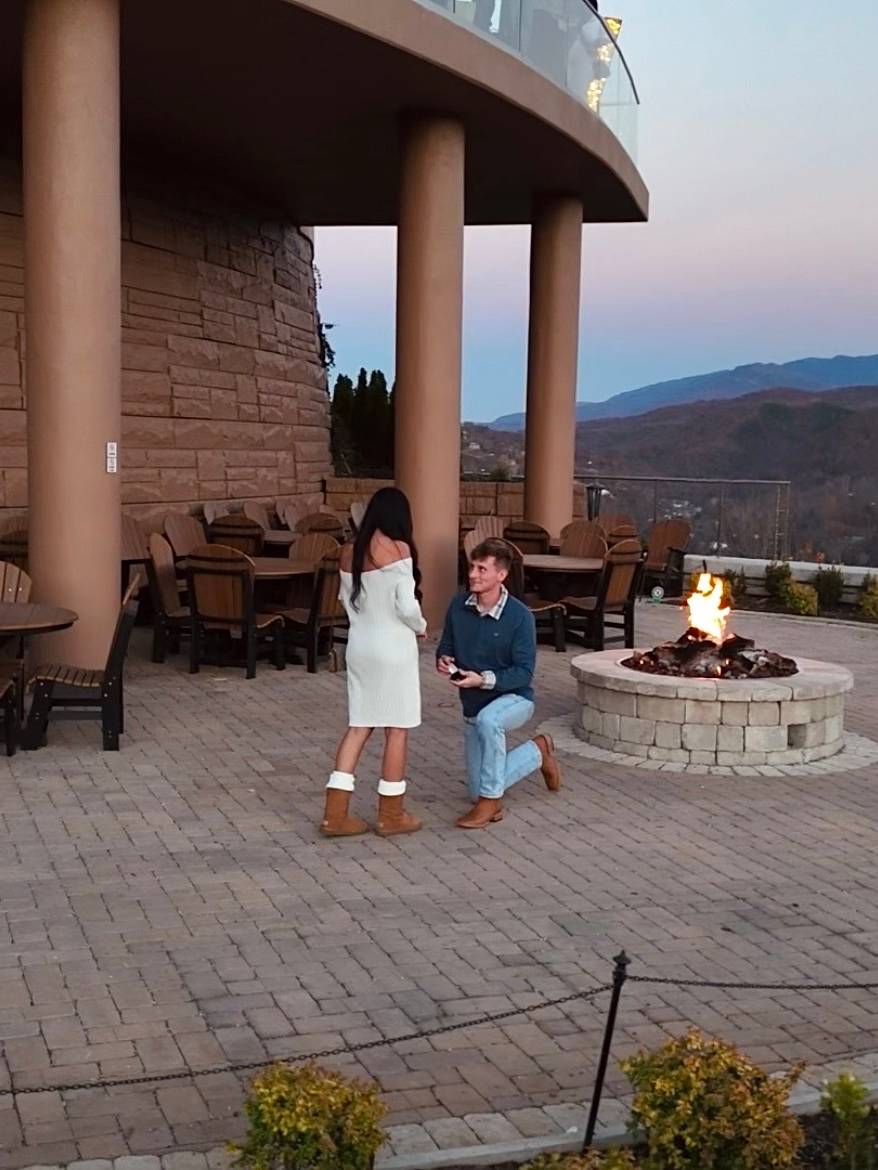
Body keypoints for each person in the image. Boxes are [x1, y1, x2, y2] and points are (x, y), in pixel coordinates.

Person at [320, 487, 426, 838]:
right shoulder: (398, 549)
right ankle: (391, 815)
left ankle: (335, 815)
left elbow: (344, 600)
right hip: (393, 648)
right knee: (397, 728)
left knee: (359, 725)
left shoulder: (348, 551)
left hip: (360, 646)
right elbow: (407, 606)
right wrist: (421, 627)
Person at [436, 538, 560, 829]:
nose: (473, 575)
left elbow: (524, 673)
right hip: (472, 705)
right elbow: (446, 645)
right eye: (472, 567)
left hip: (514, 698)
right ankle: (538, 751)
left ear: (501, 575)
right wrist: (444, 660)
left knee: (489, 721)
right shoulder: (458, 605)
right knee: (475, 790)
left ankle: (491, 804)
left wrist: (483, 680)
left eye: (482, 569)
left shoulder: (519, 617)